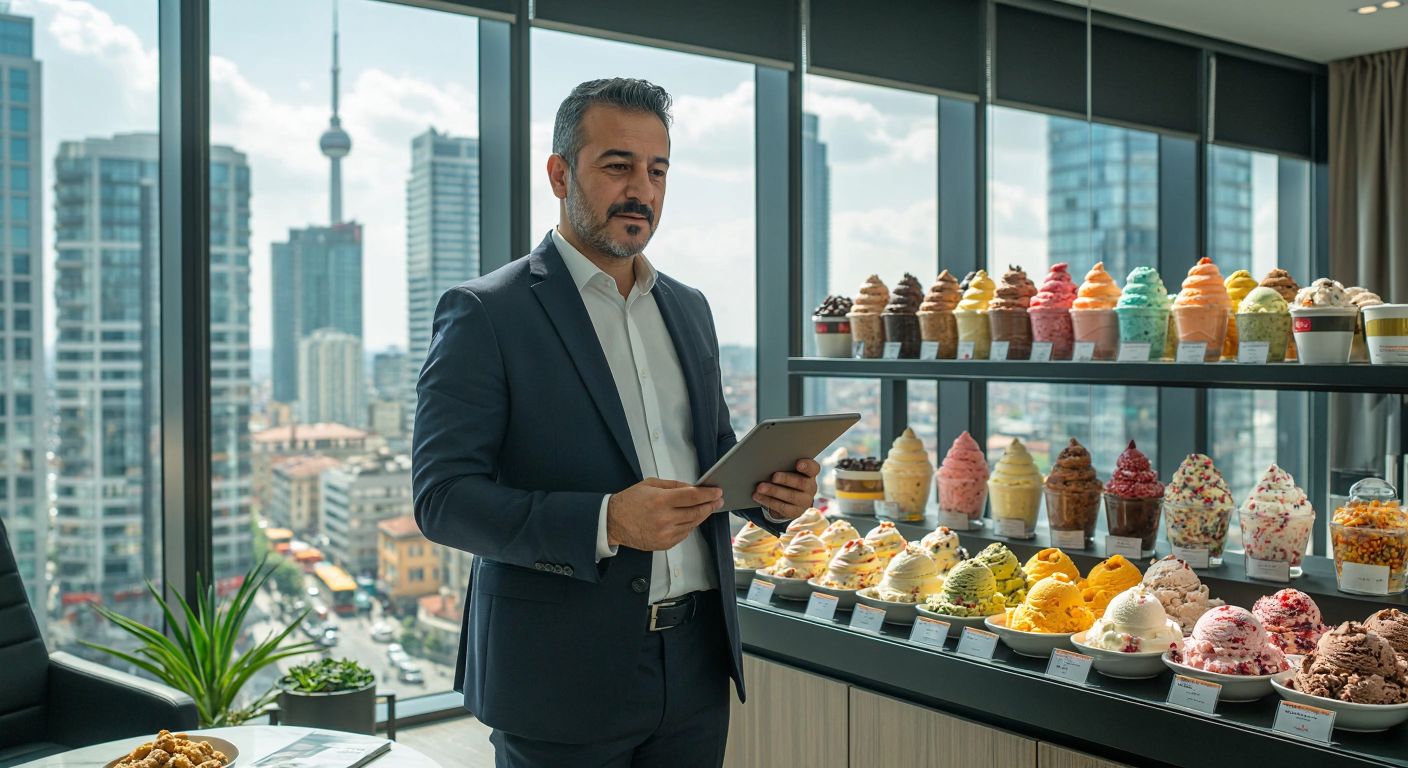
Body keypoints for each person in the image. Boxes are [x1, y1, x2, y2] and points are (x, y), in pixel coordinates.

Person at [411, 78, 820, 767]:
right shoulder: (487, 313)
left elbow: (712, 457)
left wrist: (774, 493)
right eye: (618, 166)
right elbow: (442, 500)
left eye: (657, 170)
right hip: (556, 675)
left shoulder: (689, 309)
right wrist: (606, 521)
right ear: (559, 173)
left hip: (695, 665)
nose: (643, 190)